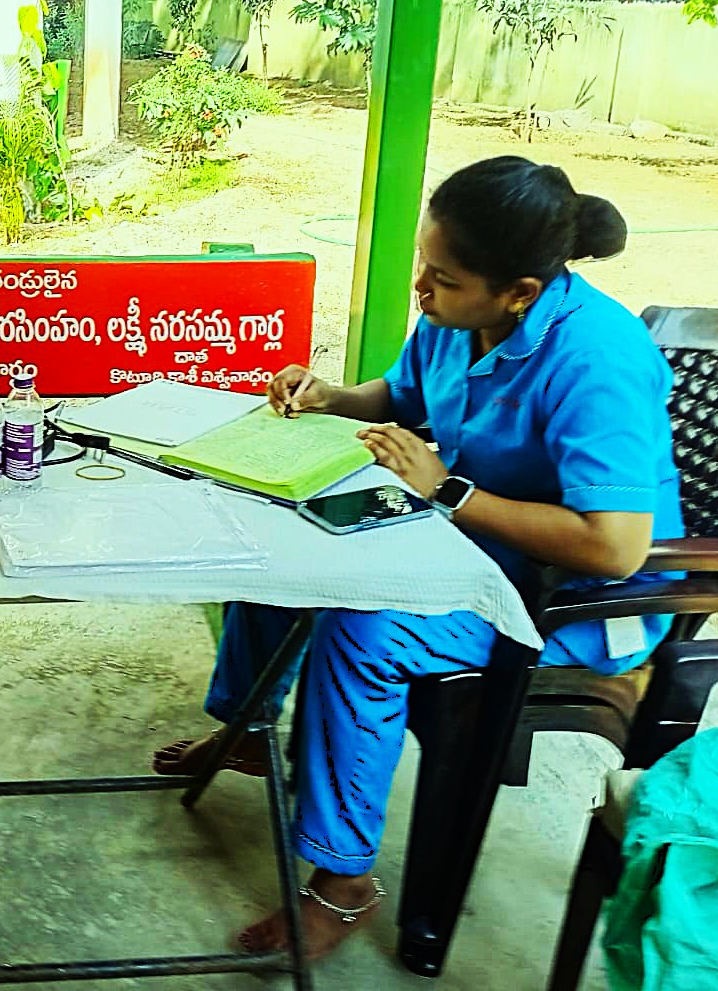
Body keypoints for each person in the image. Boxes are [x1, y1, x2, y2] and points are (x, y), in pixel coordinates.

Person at [151, 156, 683, 961]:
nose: (421, 291)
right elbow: (403, 396)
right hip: (472, 544)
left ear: (520, 293)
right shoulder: (458, 316)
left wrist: (450, 493)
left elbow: (615, 545)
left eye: (442, 277)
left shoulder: (595, 359)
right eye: (423, 267)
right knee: (284, 540)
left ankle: (343, 883)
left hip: (571, 599)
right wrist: (329, 395)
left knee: (364, 632)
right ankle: (252, 730)